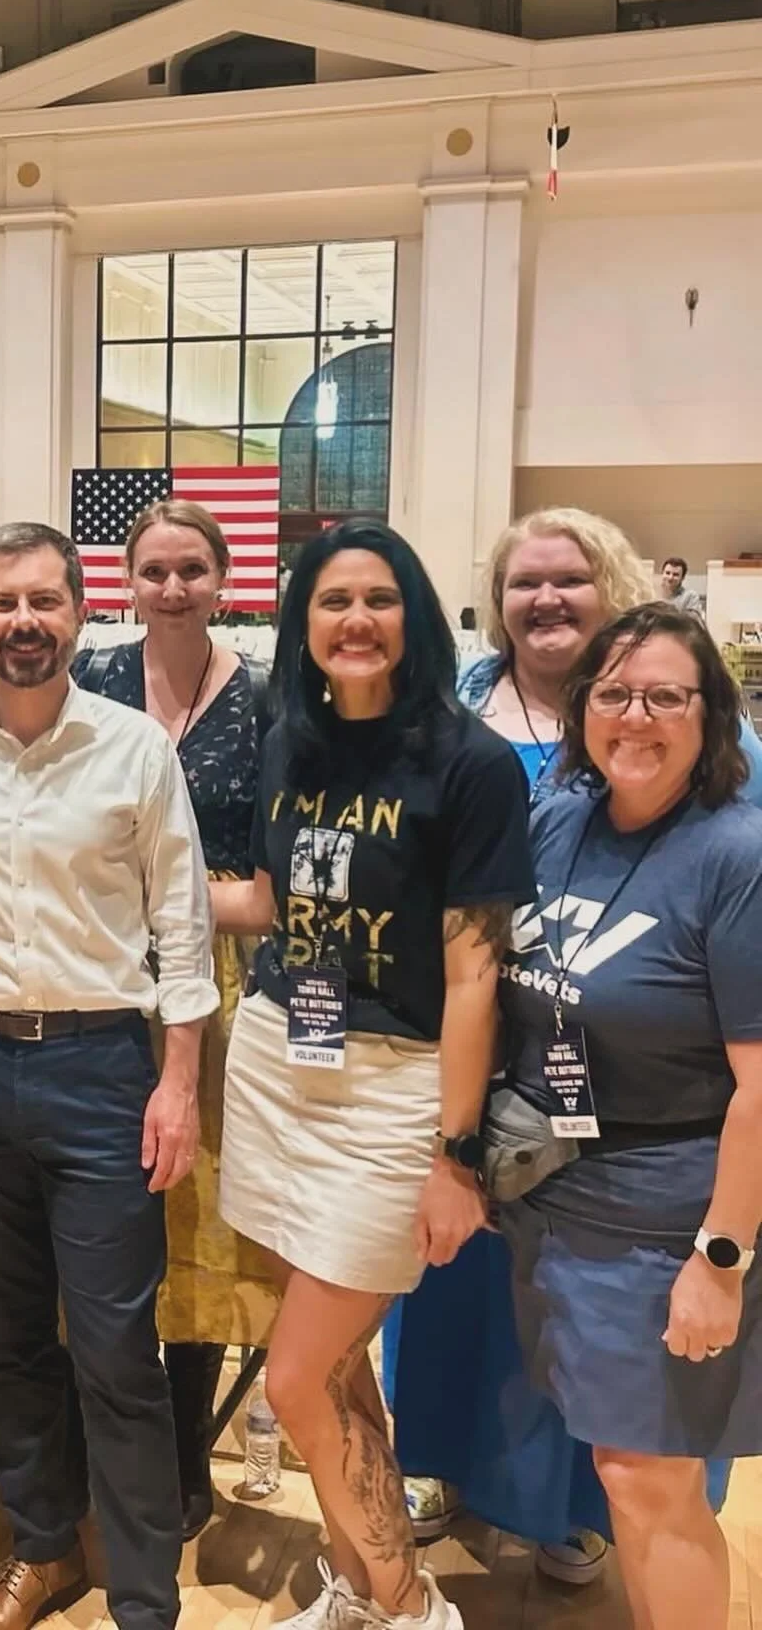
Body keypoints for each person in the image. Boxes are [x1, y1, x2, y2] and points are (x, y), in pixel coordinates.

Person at [0, 522, 217, 1630]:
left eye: (45, 602)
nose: (24, 622)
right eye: (3, 603)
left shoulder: (132, 749)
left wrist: (177, 1083)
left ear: (80, 613)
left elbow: (183, 924)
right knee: (13, 1334)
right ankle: (40, 1548)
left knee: (119, 1347)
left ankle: (145, 1594)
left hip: (103, 1071)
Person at [390, 508, 745, 1578]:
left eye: (570, 580)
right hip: (516, 1139)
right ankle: (463, 1476)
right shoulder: (506, 765)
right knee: (508, 1350)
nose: (544, 599)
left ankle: (585, 1521)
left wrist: (725, 1250)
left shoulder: (730, 818)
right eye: (522, 581)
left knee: (642, 1449)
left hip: (659, 1168)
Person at [211, 520, 533, 1630]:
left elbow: (475, 976)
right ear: (301, 624)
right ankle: (356, 1583)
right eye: (334, 600)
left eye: (380, 599)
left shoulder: (471, 762)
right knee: (340, 1369)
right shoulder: (288, 740)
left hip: (395, 1089)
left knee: (295, 1378)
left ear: (416, 618)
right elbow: (265, 900)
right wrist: (132, 880)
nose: (357, 620)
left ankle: (408, 1606)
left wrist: (457, 1156)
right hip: (276, 1064)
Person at [497, 601, 762, 1630]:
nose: (635, 716)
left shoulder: (736, 856)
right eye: (613, 693)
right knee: (624, 1473)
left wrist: (722, 1258)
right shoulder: (561, 818)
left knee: (652, 1481)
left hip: (670, 1220)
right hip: (559, 1199)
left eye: (664, 695)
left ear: (712, 716)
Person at [75, 498, 276, 1540]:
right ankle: (97, 1432)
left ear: (224, 579)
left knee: (195, 1217)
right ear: (125, 581)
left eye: (191, 568)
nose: (172, 587)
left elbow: (276, 889)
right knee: (97, 1204)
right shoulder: (87, 680)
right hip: (89, 977)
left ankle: (187, 1443)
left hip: (225, 986)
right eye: (153, 569)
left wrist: (166, 888)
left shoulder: (270, 699)